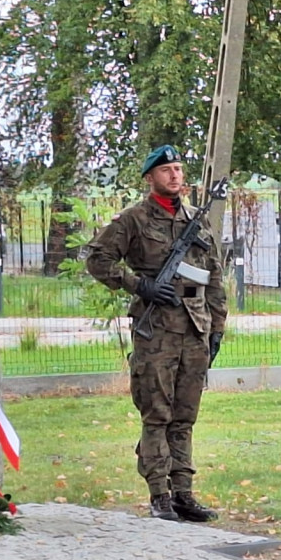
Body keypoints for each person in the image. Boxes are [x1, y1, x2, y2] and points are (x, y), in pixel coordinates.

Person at [86, 145, 227, 522]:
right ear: (151, 178)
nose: (175, 175)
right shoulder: (133, 220)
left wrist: (217, 328)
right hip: (157, 331)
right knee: (157, 414)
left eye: (179, 168)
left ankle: (183, 491)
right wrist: (138, 286)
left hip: (194, 327)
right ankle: (159, 493)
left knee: (185, 415)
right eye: (166, 170)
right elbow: (97, 259)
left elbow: (214, 277)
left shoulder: (196, 219)